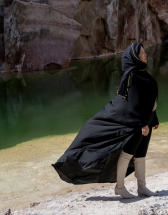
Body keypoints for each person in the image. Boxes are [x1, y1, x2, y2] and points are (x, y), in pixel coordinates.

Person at [52, 42, 159, 197]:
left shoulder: (142, 73)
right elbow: (134, 103)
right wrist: (142, 124)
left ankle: (142, 187)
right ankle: (120, 187)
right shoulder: (133, 76)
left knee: (141, 155)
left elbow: (150, 101)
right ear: (134, 57)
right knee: (127, 154)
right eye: (142, 52)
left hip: (145, 123)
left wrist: (154, 119)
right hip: (136, 124)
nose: (145, 54)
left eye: (144, 52)